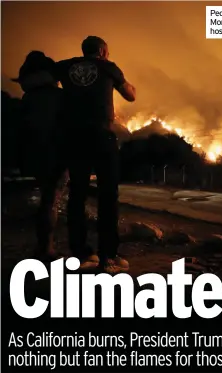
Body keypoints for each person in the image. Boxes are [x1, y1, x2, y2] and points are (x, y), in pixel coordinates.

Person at [52, 36, 136, 273]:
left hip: (73, 138)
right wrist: (130, 86)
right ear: (101, 51)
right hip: (101, 137)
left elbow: (45, 77)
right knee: (108, 195)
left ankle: (81, 254)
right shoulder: (108, 67)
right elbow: (130, 95)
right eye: (107, 52)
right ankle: (108, 256)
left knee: (77, 194)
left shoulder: (65, 66)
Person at [12, 51, 68, 261]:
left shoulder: (28, 99)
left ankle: (43, 246)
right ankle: (46, 249)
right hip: (54, 154)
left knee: (47, 199)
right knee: (50, 201)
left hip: (32, 154)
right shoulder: (59, 97)